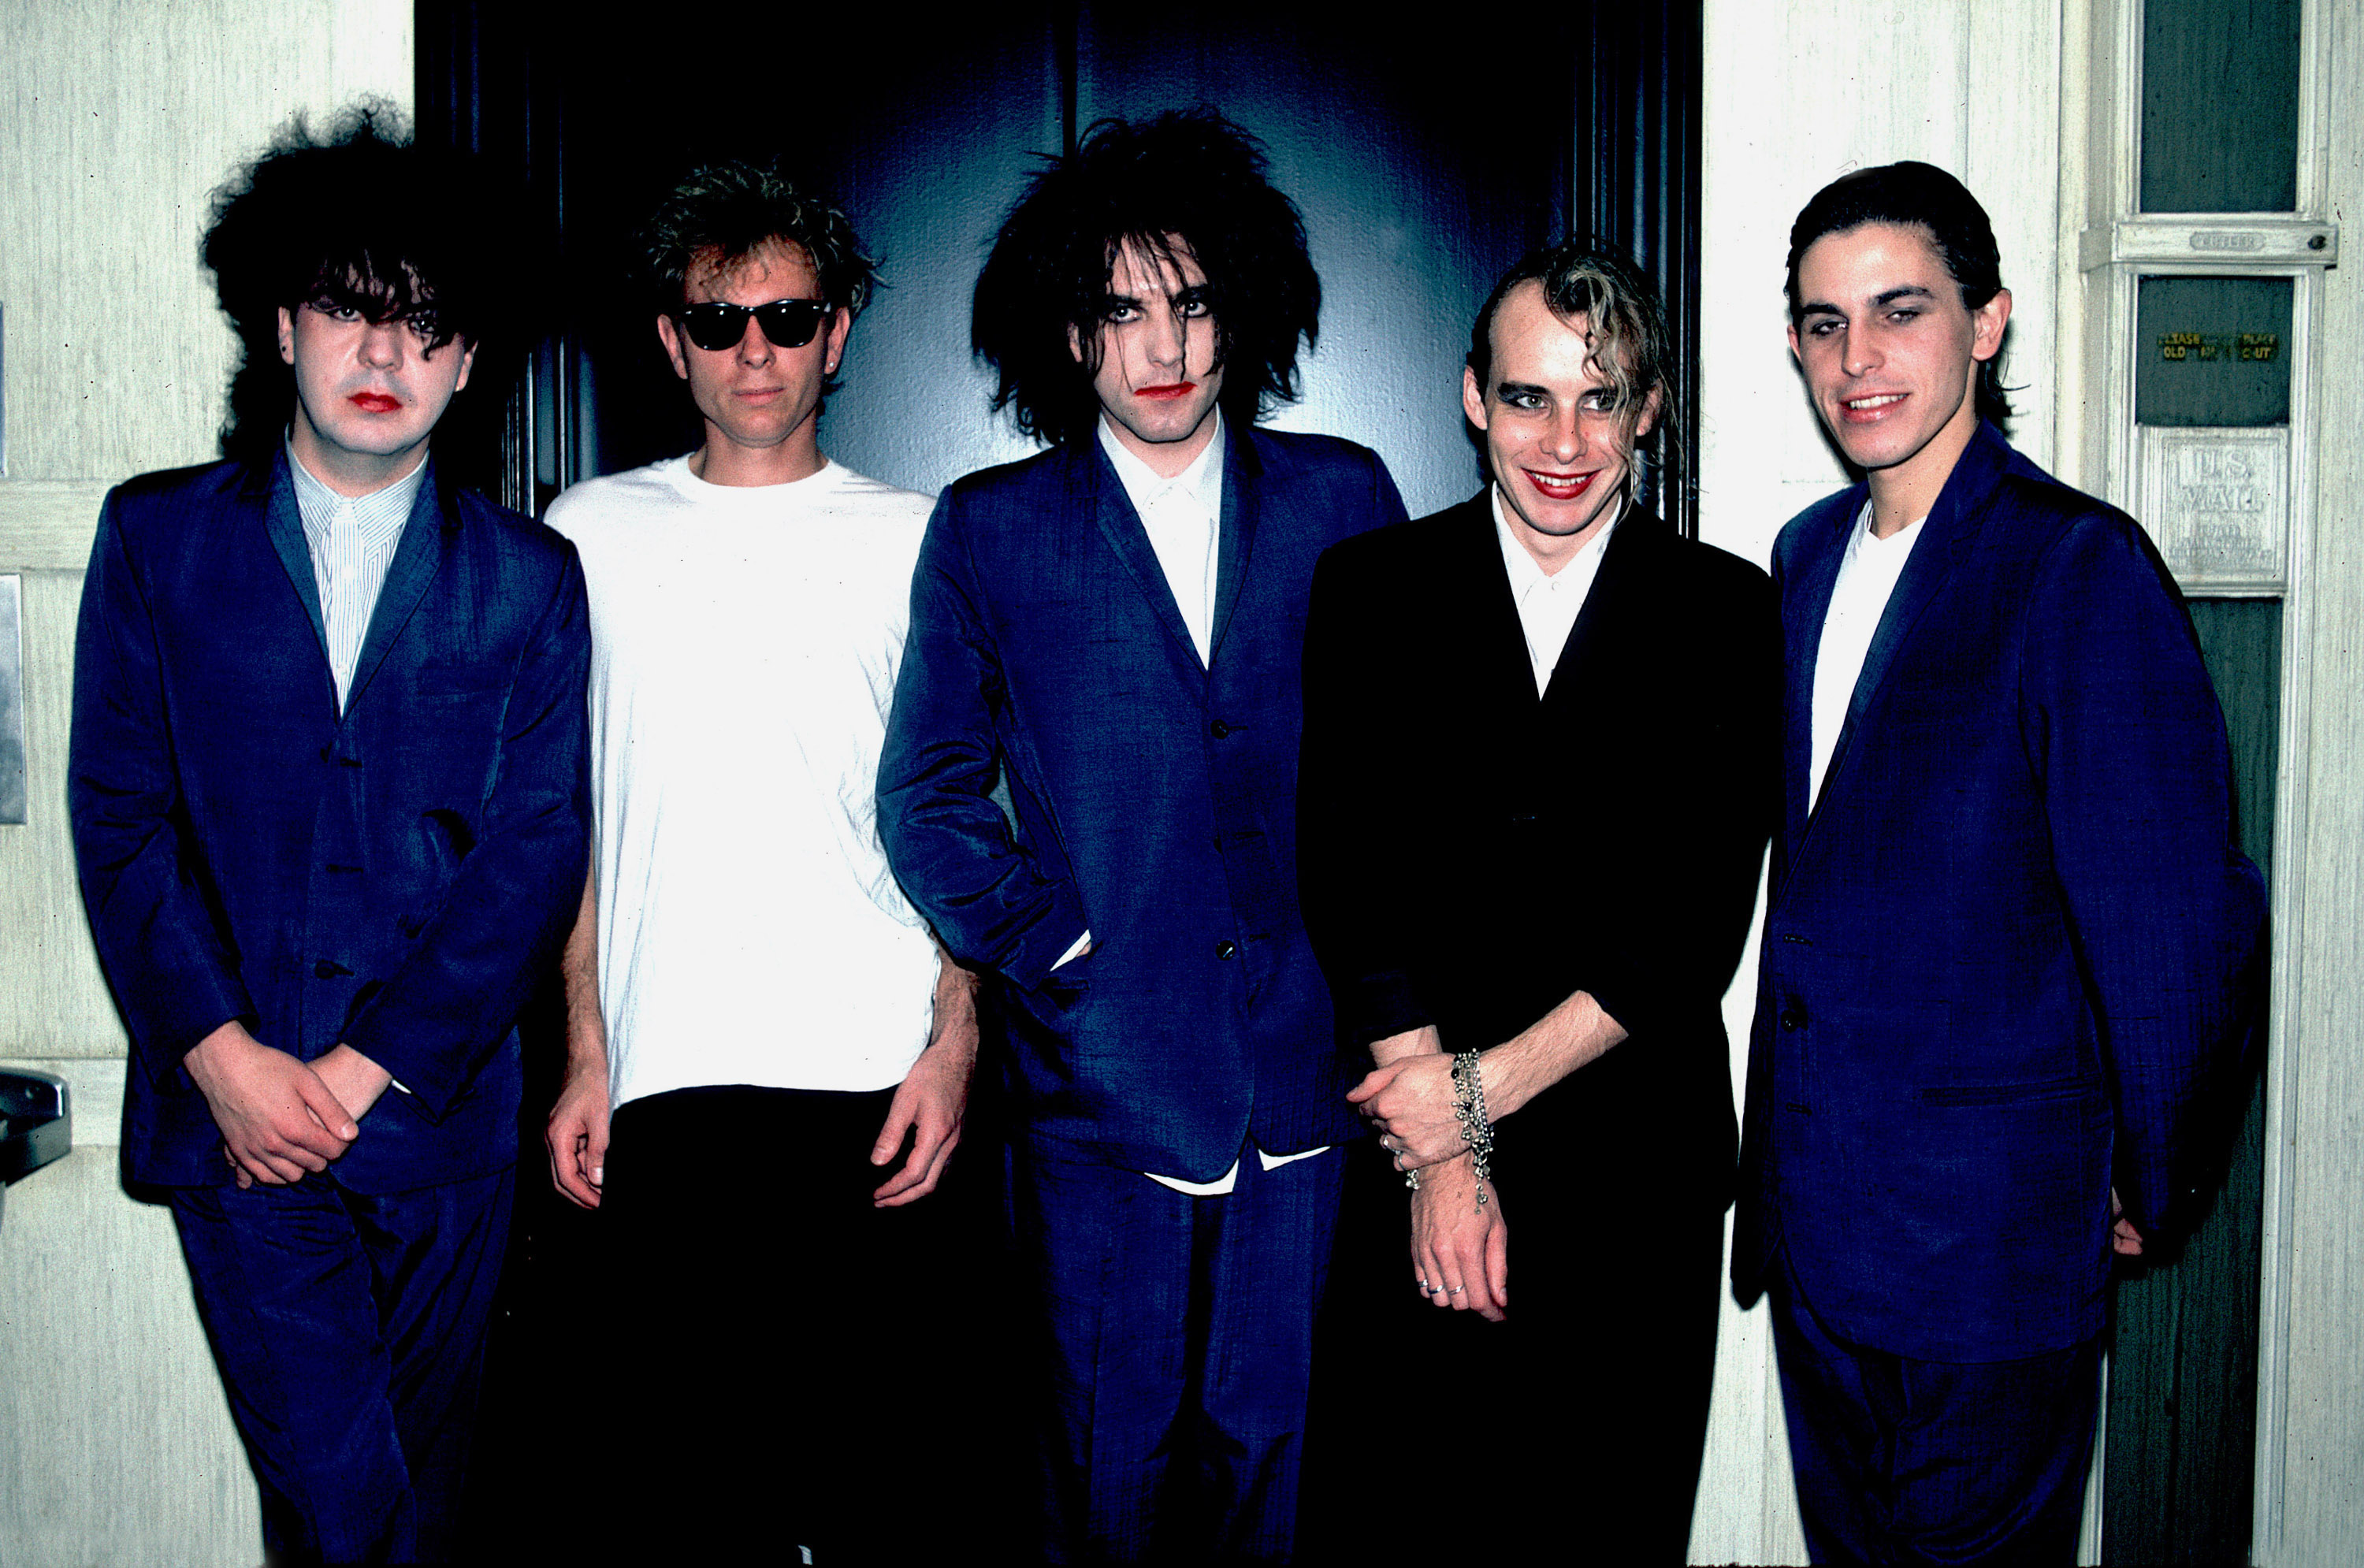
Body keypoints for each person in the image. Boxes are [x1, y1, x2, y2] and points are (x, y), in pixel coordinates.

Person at [876, 110, 1407, 1563]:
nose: (1163, 347)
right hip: (1097, 1100)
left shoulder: (1344, 496)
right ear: (1071, 333)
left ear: (1244, 311)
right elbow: (926, 790)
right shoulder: (992, 528)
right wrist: (1057, 950)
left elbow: (1403, 774)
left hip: (1305, 1087)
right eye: (1122, 311)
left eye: (1193, 304)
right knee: (1096, 1490)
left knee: (1277, 1491)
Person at [67, 106, 589, 1563]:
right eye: (352, 311)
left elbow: (535, 849)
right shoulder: (157, 538)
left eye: (425, 327)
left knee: (396, 1511)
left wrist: (370, 1067)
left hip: (437, 1125)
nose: (383, 354)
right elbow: (120, 818)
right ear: (284, 324)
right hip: (238, 1120)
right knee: (359, 1515)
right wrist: (223, 1058)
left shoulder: (533, 577)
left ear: (468, 362)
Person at [1732, 161, 2266, 1564]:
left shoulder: (2076, 568)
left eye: (1899, 311)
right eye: (1827, 323)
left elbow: (2179, 927)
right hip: (1819, 1234)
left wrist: (2150, 1171)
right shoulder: (1802, 560)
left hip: (1992, 1251)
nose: (1859, 357)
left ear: (1987, 322)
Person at [1295, 243, 1779, 1562]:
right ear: (1473, 397)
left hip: (1636, 1176)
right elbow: (1349, 877)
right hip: (1415, 1160)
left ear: (1649, 408)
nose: (1564, 442)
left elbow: (1691, 923)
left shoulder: (1730, 611)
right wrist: (1446, 1156)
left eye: (1600, 397)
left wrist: (1474, 1097)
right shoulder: (1371, 589)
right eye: (1528, 397)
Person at [537, 162, 980, 1562]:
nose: (754, 352)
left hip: (870, 1088)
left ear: (835, 333)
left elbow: (976, 819)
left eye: (787, 319)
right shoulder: (585, 535)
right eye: (718, 320)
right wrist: (587, 1050)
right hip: (664, 1091)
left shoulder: (924, 541)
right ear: (672, 340)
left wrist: (955, 1042)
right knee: (684, 1513)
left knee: (880, 1510)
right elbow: (573, 822)